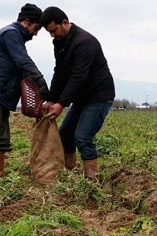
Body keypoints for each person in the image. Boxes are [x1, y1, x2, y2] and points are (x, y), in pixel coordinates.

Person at [0, 3, 50, 180]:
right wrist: (40, 81)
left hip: (2, 96)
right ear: (26, 22)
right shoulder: (10, 33)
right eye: (36, 28)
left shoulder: (16, 38)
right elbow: (23, 61)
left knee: (0, 139)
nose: (35, 33)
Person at [40, 6, 115, 180]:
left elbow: (78, 76)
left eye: (54, 30)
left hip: (98, 96)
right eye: (49, 32)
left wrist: (61, 104)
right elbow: (59, 73)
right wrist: (52, 99)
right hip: (82, 97)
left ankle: (92, 179)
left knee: (82, 137)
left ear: (65, 23)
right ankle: (70, 173)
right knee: (65, 133)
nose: (52, 35)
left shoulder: (85, 42)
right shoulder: (59, 43)